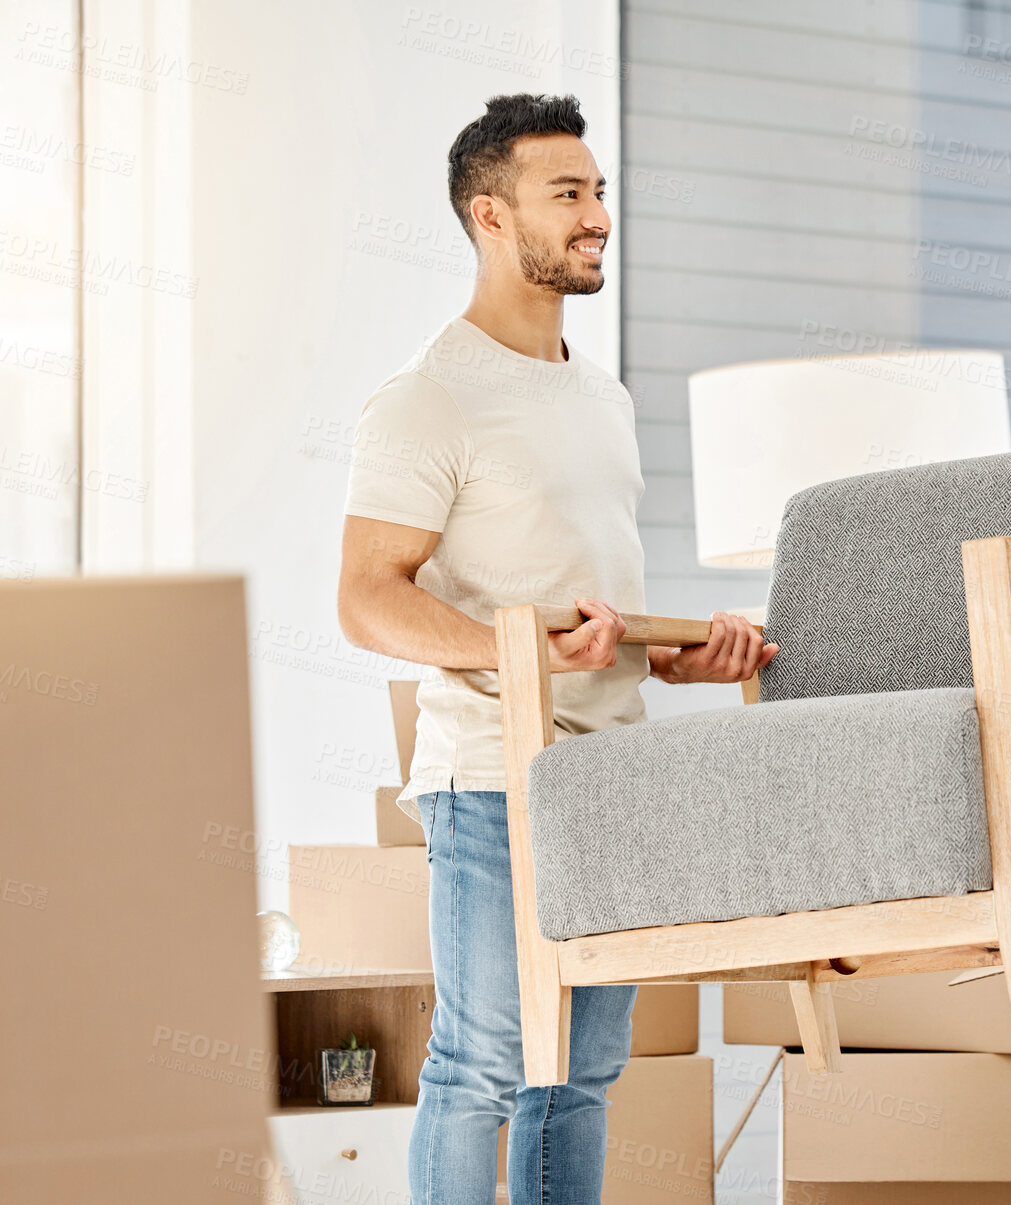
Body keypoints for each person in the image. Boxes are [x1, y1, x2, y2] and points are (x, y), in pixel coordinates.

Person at [335, 93, 776, 1205]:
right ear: (491, 215)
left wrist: (675, 659)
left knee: (580, 1075)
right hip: (492, 780)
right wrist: (519, 649)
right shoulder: (427, 398)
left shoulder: (601, 394)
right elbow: (364, 600)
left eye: (600, 191)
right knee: (484, 1061)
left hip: (606, 780)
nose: (598, 217)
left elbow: (594, 616)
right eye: (567, 194)